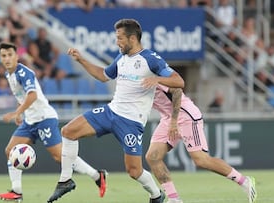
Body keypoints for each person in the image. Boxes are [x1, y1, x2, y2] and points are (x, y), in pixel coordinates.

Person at [47, 18, 184, 203]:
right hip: (111, 111)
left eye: (120, 38)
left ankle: (157, 195)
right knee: (68, 131)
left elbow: (179, 81)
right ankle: (65, 180)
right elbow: (103, 76)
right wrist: (81, 60)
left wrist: (158, 80)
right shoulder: (121, 57)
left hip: (131, 122)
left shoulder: (150, 59)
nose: (117, 42)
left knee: (134, 171)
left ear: (133, 38)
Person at [0, 42, 107, 202]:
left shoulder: (24, 73)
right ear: (0, 58)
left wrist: (16, 112)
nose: (7, 59)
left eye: (10, 55)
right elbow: (23, 96)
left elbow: (32, 95)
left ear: (16, 56)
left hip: (44, 118)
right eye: (4, 56)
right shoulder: (9, 75)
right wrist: (21, 112)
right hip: (30, 120)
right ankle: (17, 192)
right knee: (10, 150)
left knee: (60, 156)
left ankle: (97, 175)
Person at [145, 84, 257, 203]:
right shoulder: (127, 81)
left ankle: (244, 181)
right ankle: (174, 199)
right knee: (153, 157)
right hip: (167, 118)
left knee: (201, 160)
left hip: (185, 116)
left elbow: (177, 91)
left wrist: (174, 121)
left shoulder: (151, 73)